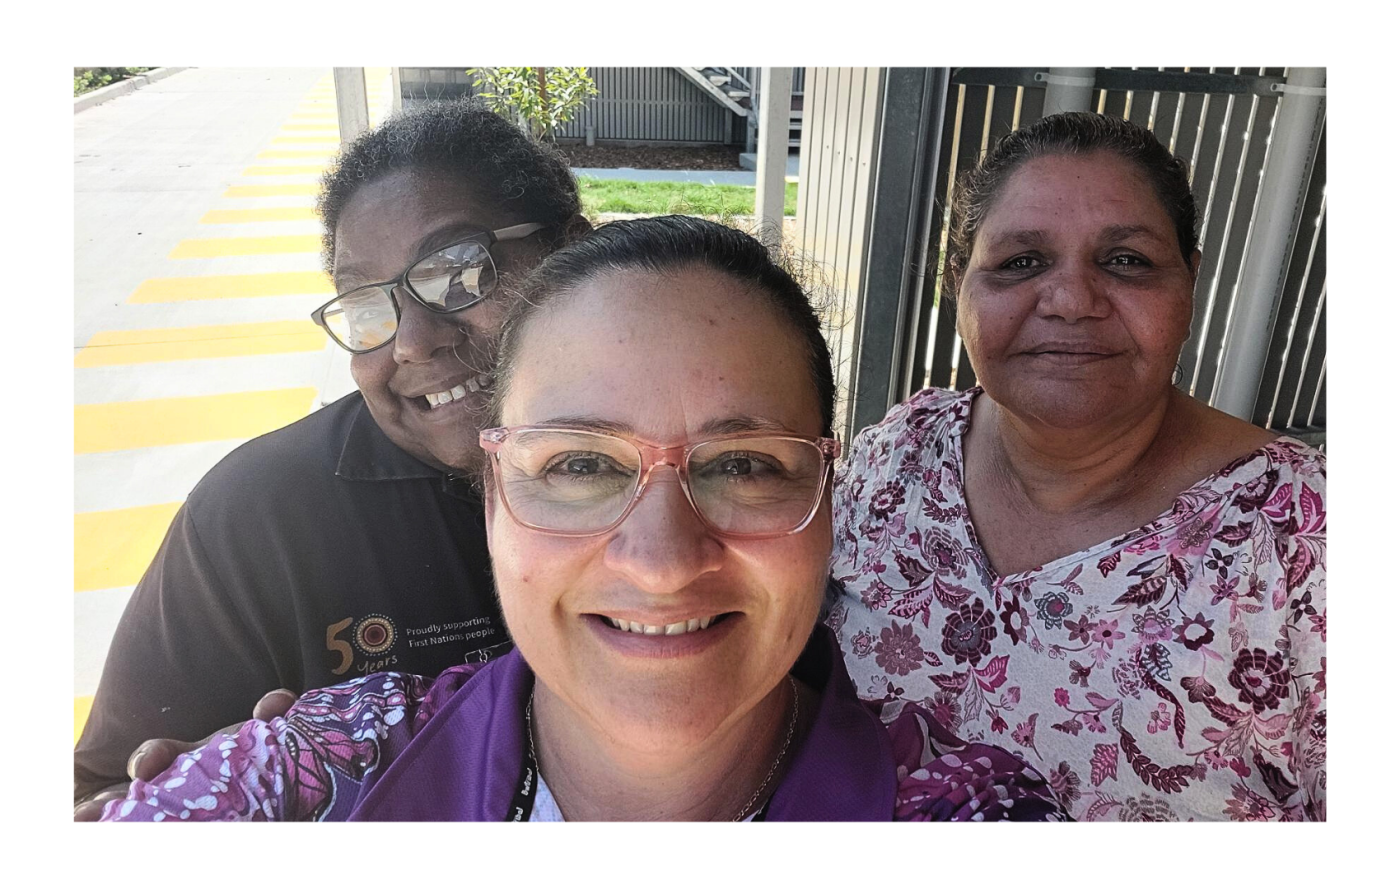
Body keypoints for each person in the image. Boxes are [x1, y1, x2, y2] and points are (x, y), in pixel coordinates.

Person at [101, 217, 1066, 822]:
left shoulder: (968, 813)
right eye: (576, 464)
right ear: (491, 499)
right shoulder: (317, 775)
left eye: (741, 464)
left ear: (828, 498)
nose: (660, 561)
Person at [74, 99, 590, 816]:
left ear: (571, 252)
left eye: (457, 271)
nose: (410, 341)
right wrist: (223, 791)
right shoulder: (258, 519)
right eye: (367, 303)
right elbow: (93, 794)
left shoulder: (692, 459)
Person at [826, 112, 1326, 821]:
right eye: (1021, 261)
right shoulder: (898, 456)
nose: (1070, 300)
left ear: (1190, 287)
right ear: (960, 284)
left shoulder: (1308, 541)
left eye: (1126, 260)